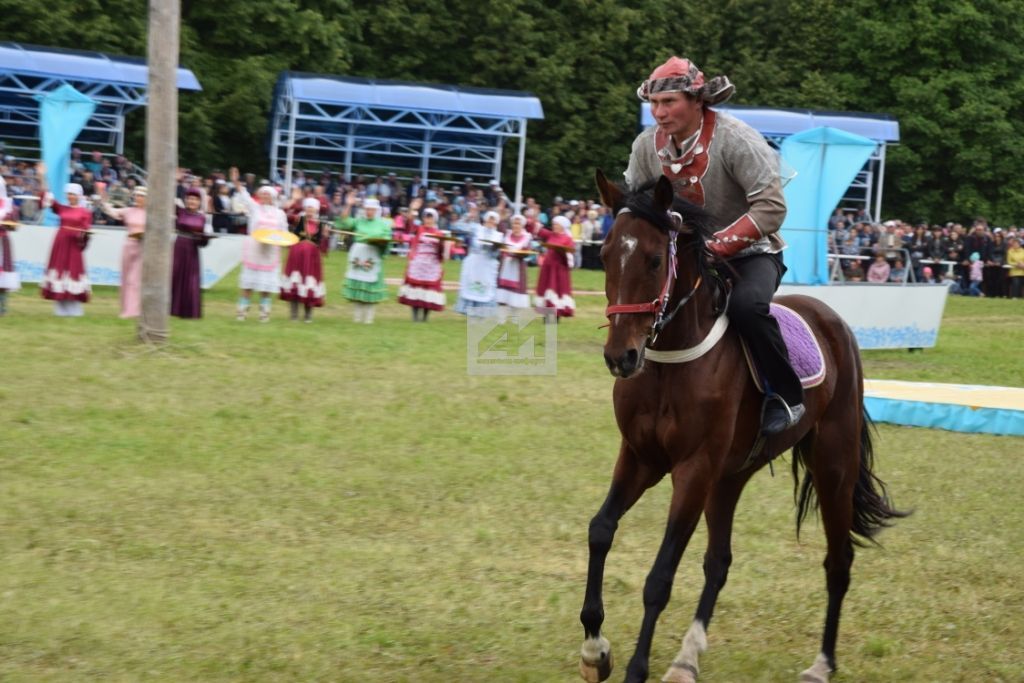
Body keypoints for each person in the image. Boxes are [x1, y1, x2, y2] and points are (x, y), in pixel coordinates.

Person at [625, 56, 803, 434]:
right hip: (680, 259)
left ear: (697, 101)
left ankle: (786, 396)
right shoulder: (645, 147)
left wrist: (717, 247)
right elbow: (638, 206)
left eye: (668, 102)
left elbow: (772, 208)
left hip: (752, 256)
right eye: (654, 104)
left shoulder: (737, 140)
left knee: (746, 307)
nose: (659, 112)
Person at [231, 167, 286, 322]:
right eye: (263, 194)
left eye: (268, 194)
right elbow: (244, 195)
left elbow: (283, 233)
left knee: (266, 286)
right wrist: (236, 181)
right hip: (254, 249)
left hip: (270, 252)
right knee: (248, 284)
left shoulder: (280, 214)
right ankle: (242, 312)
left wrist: (280, 242)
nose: (265, 196)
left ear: (273, 197)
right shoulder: (255, 208)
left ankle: (264, 313)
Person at [37, 164, 92, 316]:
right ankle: (60, 309)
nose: (70, 196)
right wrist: (42, 176)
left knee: (73, 271)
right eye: (68, 194)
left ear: (79, 196)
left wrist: (84, 233)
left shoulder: (85, 212)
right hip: (60, 243)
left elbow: (86, 228)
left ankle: (75, 309)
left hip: (74, 245)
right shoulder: (62, 208)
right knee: (59, 270)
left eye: (73, 194)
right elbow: (47, 197)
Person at [338, 194, 392, 323]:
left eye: (372, 209)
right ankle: (357, 318)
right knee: (358, 284)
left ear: (377, 211)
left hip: (372, 257)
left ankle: (368, 319)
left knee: (370, 286)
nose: (369, 212)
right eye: (367, 209)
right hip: (359, 256)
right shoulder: (358, 221)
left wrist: (382, 243)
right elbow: (344, 222)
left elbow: (387, 240)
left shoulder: (383, 224)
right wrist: (349, 204)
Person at [100, 186, 147, 318]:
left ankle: (134, 310)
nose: (139, 198)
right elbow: (113, 212)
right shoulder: (129, 210)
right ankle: (126, 308)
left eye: (142, 196)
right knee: (126, 278)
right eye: (137, 195)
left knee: (135, 279)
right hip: (129, 245)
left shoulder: (151, 213)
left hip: (143, 247)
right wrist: (104, 200)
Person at [398, 200, 447, 321]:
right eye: (426, 217)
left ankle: (425, 317)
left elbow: (441, 249)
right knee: (416, 289)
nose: (428, 220)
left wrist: (443, 244)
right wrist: (412, 209)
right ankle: (415, 316)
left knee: (428, 290)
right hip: (419, 261)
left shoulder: (439, 233)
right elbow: (408, 224)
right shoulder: (419, 229)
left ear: (435, 219)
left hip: (432, 263)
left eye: (431, 218)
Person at [280, 197, 326, 322]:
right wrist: (292, 202)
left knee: (309, 284)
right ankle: (294, 315)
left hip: (312, 259)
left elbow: (323, 247)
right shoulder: (299, 219)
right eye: (308, 207)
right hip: (297, 257)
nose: (310, 210)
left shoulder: (320, 224)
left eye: (312, 208)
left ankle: (308, 315)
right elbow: (285, 215)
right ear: (305, 209)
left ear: (316, 210)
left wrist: (325, 236)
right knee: (296, 283)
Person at [453, 210, 502, 317]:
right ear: (485, 219)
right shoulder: (476, 228)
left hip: (487, 265)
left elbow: (496, 254)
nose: (490, 221)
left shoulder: (498, 235)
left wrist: (494, 249)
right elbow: (457, 226)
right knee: (471, 283)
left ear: (496, 222)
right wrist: (467, 215)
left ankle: (482, 311)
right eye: (489, 218)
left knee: (485, 286)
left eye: (493, 220)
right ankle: (469, 310)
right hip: (474, 263)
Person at [170, 188, 209, 318]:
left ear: (199, 202)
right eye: (190, 198)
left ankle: (188, 311)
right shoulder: (180, 211)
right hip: (179, 246)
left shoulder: (202, 217)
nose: (192, 201)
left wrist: (203, 238)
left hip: (192, 250)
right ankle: (171, 308)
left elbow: (203, 242)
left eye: (195, 199)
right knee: (175, 275)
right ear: (186, 200)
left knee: (191, 279)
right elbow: (168, 198)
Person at [533, 215, 576, 319]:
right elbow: (539, 231)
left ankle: (556, 312)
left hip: (559, 269)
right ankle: (546, 311)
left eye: (556, 225)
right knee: (546, 288)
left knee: (557, 289)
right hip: (548, 267)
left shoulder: (567, 238)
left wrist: (562, 251)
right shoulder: (551, 235)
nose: (554, 226)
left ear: (562, 226)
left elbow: (569, 253)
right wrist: (533, 221)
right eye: (553, 224)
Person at [495, 214, 533, 320]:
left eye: (518, 223)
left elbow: (527, 252)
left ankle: (515, 318)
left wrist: (520, 254)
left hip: (517, 267)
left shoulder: (526, 237)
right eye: (514, 223)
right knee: (502, 290)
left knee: (517, 291)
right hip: (505, 266)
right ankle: (501, 317)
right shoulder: (507, 235)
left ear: (522, 225)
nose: (516, 226)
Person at [0, 175, 19, 315]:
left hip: (2, 241)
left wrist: (10, 224)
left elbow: (14, 226)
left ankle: (2, 307)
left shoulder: (8, 205)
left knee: (3, 276)